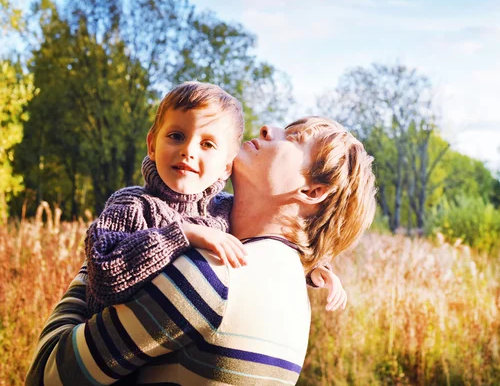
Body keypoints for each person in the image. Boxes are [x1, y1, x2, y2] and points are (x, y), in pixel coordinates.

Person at [25, 116, 377, 385]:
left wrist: (97, 259)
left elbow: (47, 374)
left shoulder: (214, 274)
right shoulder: (290, 287)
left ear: (314, 191)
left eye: (295, 138)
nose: (268, 127)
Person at [83, 81, 344, 315]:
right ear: (152, 145)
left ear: (226, 166)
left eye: (207, 144)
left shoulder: (224, 210)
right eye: (176, 136)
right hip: (108, 354)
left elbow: (266, 245)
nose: (187, 151)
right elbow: (104, 276)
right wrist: (183, 234)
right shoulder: (132, 205)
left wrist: (315, 270)